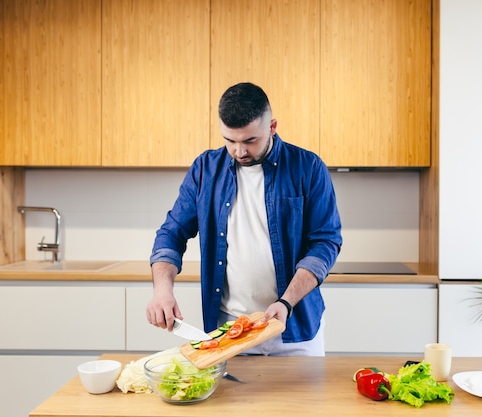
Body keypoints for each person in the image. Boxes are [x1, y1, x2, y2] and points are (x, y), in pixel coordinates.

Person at [146, 82, 342, 356]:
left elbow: (325, 243)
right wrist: (162, 290)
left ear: (272, 127)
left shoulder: (308, 167)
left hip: (295, 329)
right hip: (230, 333)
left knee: (302, 401)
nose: (239, 151)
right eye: (230, 140)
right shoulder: (205, 169)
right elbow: (172, 233)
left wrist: (286, 302)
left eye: (250, 140)